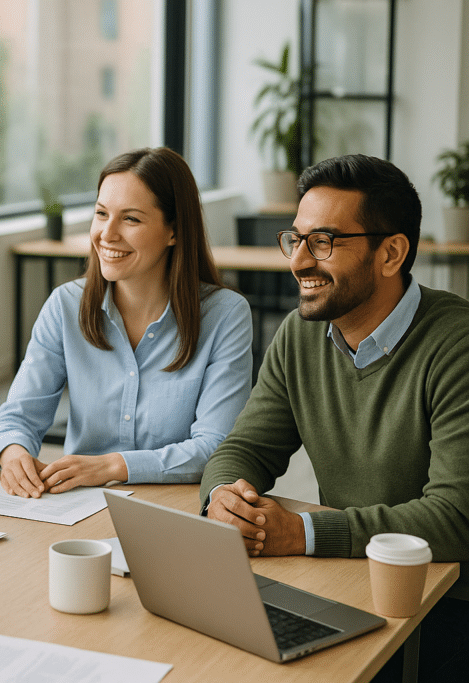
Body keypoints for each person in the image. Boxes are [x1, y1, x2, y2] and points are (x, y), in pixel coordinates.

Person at [199, 154, 469, 682]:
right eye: (295, 239)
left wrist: (303, 533)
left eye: (322, 243)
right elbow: (245, 450)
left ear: (391, 253)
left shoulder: (456, 344)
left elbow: (455, 518)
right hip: (350, 578)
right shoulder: (301, 335)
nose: (299, 261)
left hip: (445, 600)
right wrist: (222, 499)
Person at [0, 147, 253, 497]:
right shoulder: (65, 306)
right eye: (101, 214)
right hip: (79, 507)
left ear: (174, 231)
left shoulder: (226, 315)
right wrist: (13, 452)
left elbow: (216, 446)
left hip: (175, 506)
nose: (106, 234)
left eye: (131, 219)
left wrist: (112, 466)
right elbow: (16, 418)